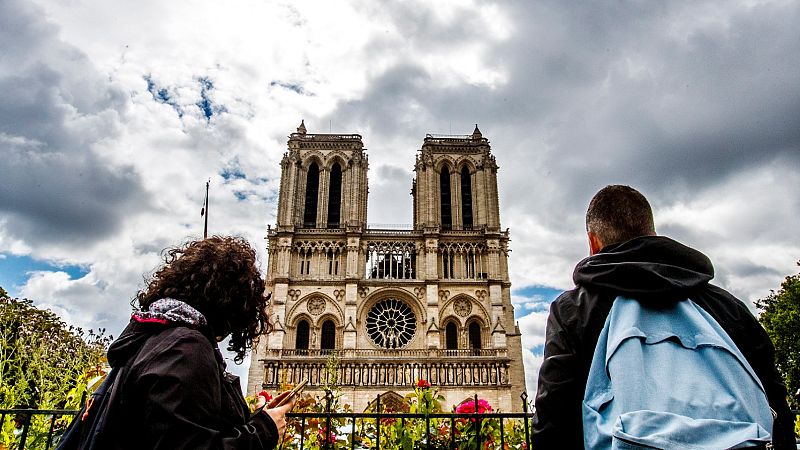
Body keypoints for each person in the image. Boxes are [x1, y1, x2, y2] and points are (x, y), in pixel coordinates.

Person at [531, 185, 794, 449]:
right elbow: (775, 408)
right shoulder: (728, 307)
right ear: (653, 234)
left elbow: (553, 421)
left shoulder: (574, 310)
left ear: (592, 242)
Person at [103, 236, 293, 449]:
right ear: (232, 299)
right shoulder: (184, 349)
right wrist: (264, 430)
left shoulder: (155, 338)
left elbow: (186, 425)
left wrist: (257, 420)